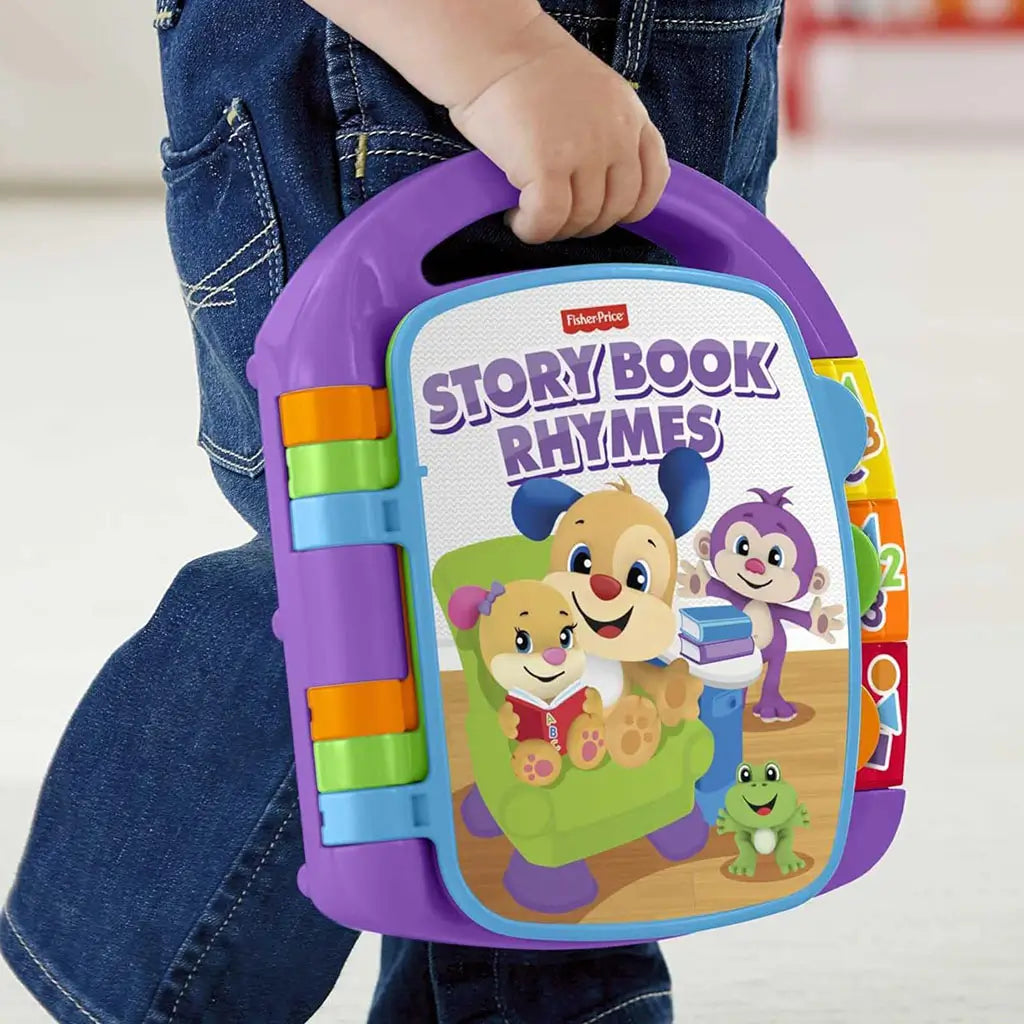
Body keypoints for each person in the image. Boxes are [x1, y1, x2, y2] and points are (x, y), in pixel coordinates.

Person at [0, 1, 783, 1021]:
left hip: (662, 78)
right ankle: (159, 987)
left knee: (550, 617)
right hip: (409, 73)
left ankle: (533, 994)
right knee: (365, 570)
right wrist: (503, 63)